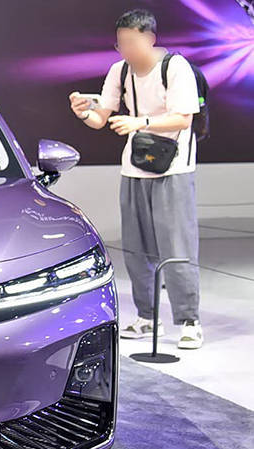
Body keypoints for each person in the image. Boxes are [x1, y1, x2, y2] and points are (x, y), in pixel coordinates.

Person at [69, 8, 204, 349]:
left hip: (173, 168)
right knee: (136, 247)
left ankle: (189, 321)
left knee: (176, 245)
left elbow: (183, 118)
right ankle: (147, 316)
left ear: (150, 38)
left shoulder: (175, 67)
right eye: (120, 43)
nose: (126, 49)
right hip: (134, 167)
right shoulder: (120, 70)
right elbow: (101, 118)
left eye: (132, 41)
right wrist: (84, 112)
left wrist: (139, 122)